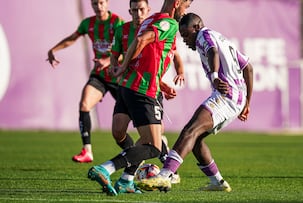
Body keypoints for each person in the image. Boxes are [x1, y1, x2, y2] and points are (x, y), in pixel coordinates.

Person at [87, 0, 193, 196]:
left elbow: (149, 55)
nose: (185, 12)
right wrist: (125, 65)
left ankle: (127, 179)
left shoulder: (151, 19)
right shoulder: (168, 23)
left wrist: (159, 82)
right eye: (185, 6)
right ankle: (106, 168)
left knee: (145, 141)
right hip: (143, 89)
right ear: (177, 3)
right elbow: (142, 41)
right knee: (154, 146)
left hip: (130, 86)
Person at [139, 12, 254, 192]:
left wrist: (215, 77)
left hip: (226, 95)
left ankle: (164, 176)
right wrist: (247, 101)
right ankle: (218, 182)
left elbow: (212, 51)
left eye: (186, 35)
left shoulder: (204, 35)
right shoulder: (222, 39)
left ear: (197, 27)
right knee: (196, 139)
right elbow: (248, 67)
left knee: (189, 130)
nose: (185, 40)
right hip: (236, 98)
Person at [110, 0, 184, 184]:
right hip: (129, 84)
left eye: (140, 9)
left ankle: (155, 170)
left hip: (146, 87)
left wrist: (171, 78)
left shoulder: (160, 25)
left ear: (148, 9)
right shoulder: (127, 29)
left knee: (153, 141)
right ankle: (134, 158)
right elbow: (119, 56)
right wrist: (117, 66)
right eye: (134, 10)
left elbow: (169, 56)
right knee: (119, 132)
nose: (137, 13)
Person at [47, 0, 124, 163]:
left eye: (102, 2)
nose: (99, 6)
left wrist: (108, 61)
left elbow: (127, 51)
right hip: (99, 76)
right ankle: (87, 150)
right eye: (95, 3)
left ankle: (156, 146)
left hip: (119, 77)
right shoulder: (88, 24)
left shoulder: (117, 22)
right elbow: (72, 38)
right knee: (84, 104)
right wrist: (54, 49)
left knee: (136, 117)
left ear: (107, 3)